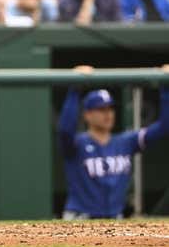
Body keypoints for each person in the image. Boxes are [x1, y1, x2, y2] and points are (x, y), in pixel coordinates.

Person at [58, 66, 169, 219]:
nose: (108, 114)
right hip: (81, 217)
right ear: (87, 115)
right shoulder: (77, 144)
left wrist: (166, 88)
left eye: (110, 109)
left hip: (115, 218)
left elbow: (164, 126)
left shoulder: (126, 141)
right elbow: (65, 130)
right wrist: (75, 89)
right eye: (101, 109)